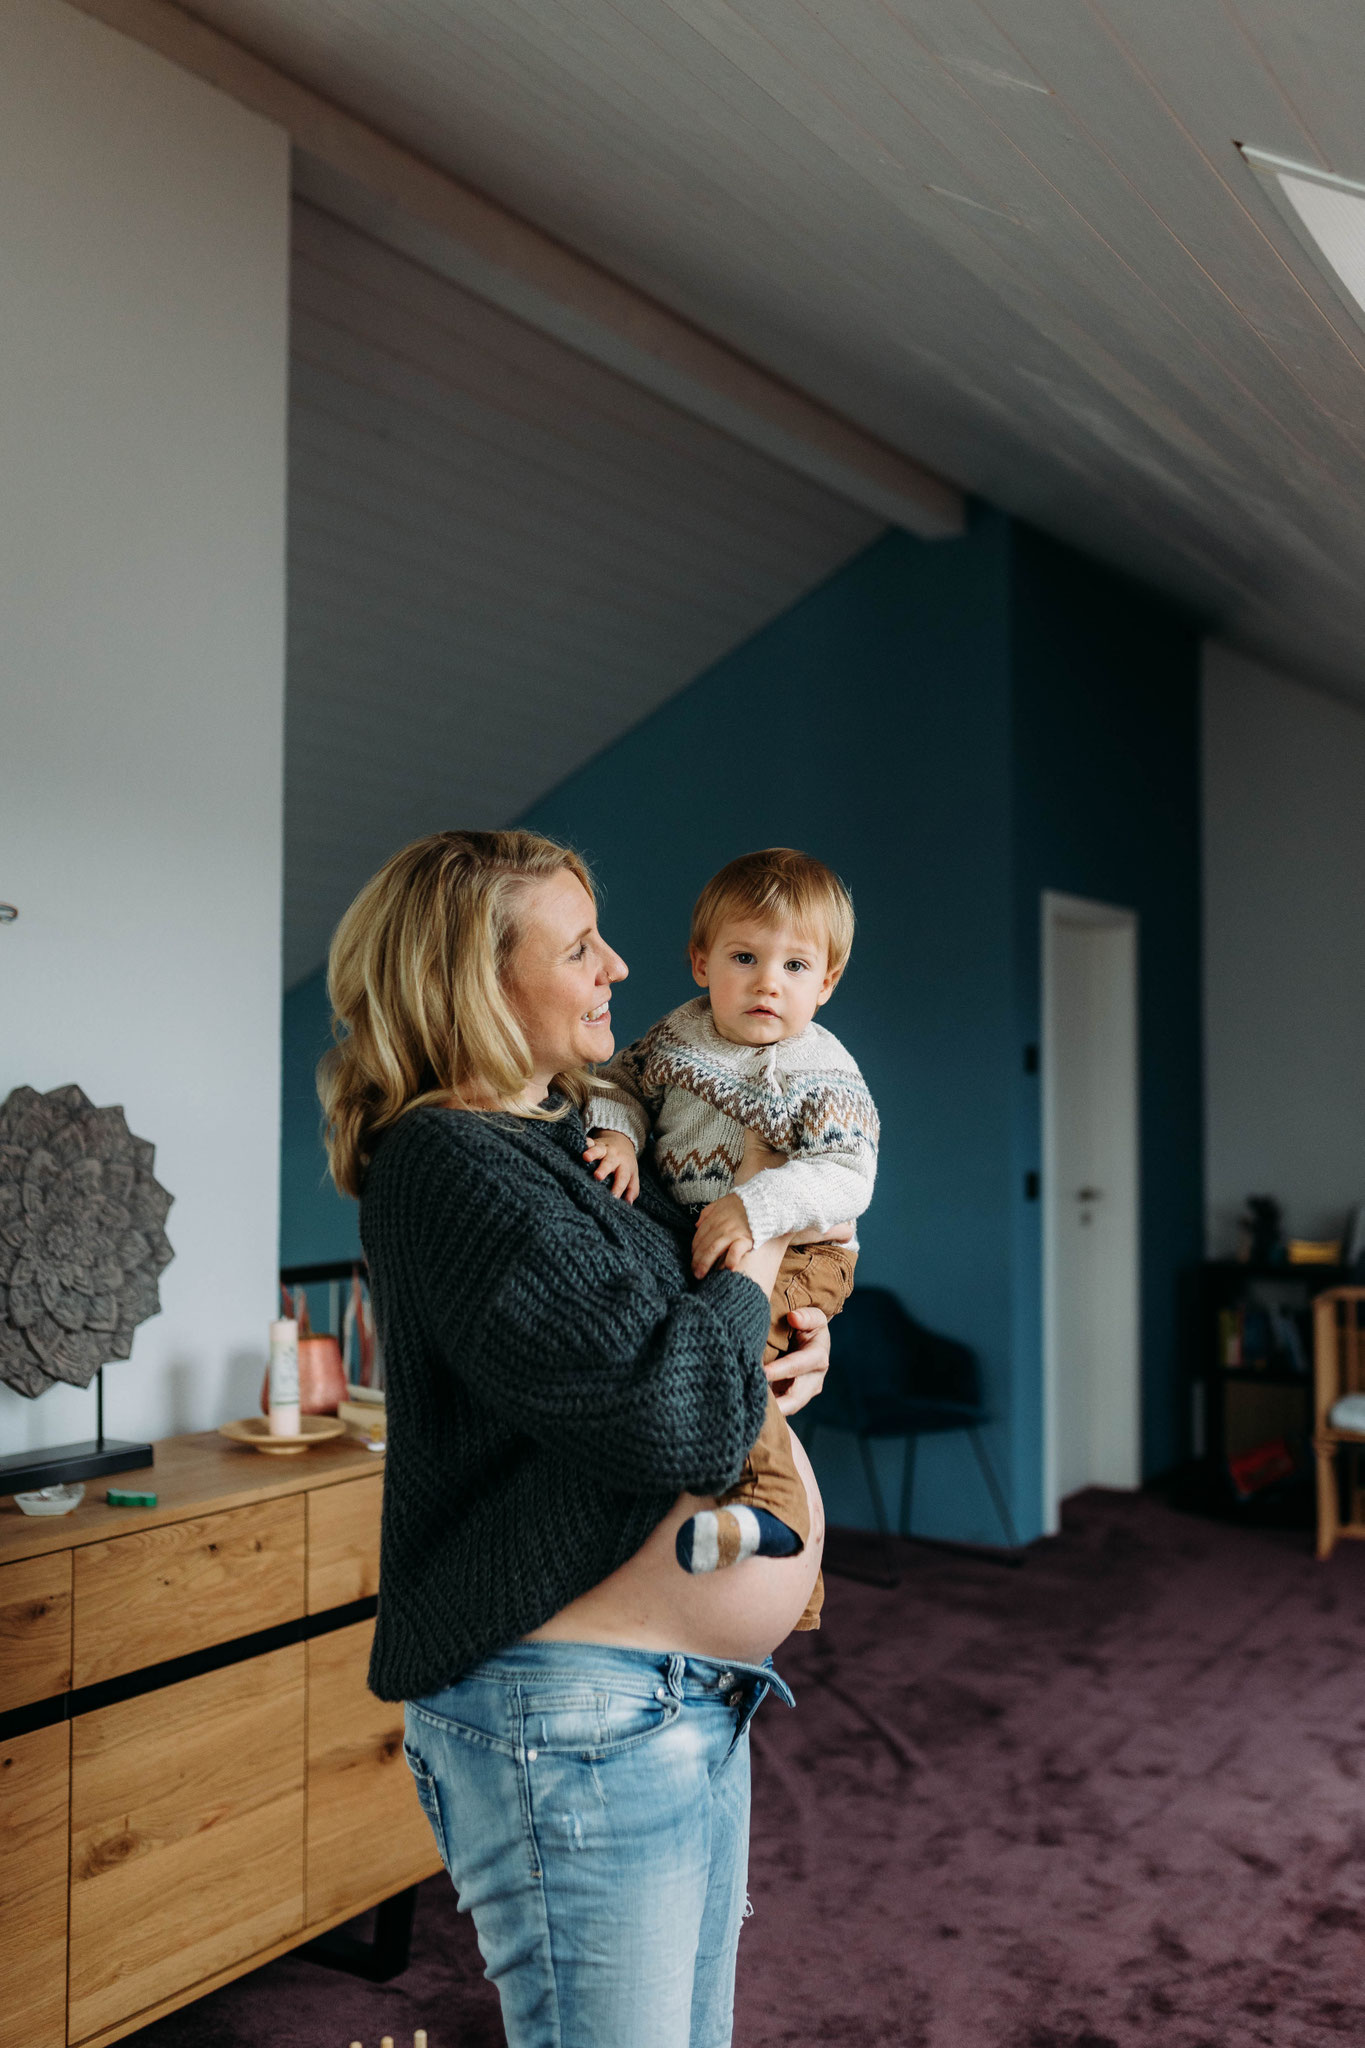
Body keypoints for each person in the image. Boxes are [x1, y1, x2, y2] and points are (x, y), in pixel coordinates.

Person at [318, 828, 832, 2048]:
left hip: (677, 1695)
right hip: (575, 1717)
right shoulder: (446, 1164)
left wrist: (791, 1341)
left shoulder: (571, 1142)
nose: (617, 966)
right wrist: (754, 1260)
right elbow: (670, 1416)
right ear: (474, 981)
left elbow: (692, 1343)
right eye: (579, 946)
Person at [584, 848, 878, 1626]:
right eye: (744, 958)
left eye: (794, 966)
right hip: (703, 1243)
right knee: (727, 1370)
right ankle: (787, 1580)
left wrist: (757, 1204)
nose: (766, 983)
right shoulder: (675, 1037)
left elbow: (848, 1177)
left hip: (805, 1254)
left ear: (826, 982)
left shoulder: (819, 1070)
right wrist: (617, 1135)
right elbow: (618, 1083)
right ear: (700, 962)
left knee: (726, 1358)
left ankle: (772, 1506)